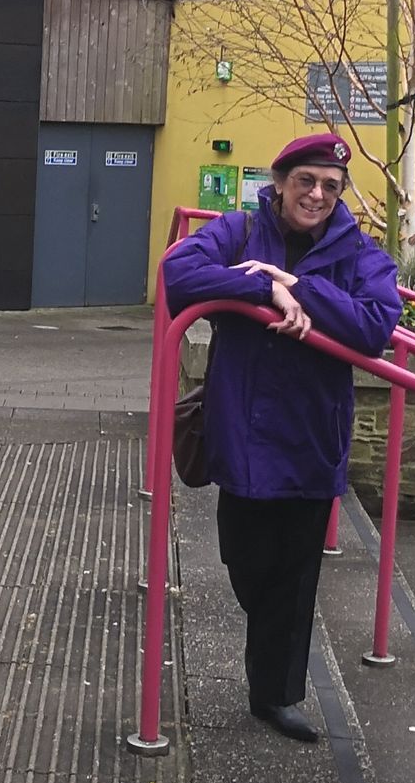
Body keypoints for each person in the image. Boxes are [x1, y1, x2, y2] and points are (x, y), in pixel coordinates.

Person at [162, 134, 401, 743]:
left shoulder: (359, 251)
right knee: (244, 561)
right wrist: (260, 289)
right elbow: (178, 272)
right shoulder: (240, 231)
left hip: (310, 438)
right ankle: (270, 659)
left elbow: (375, 325)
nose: (316, 195)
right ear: (281, 182)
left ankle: (275, 694)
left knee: (294, 578)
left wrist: (298, 288)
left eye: (330, 185)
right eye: (305, 182)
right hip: (241, 433)